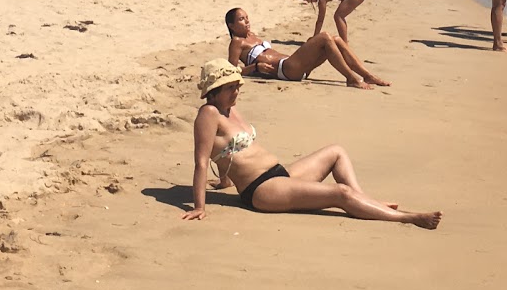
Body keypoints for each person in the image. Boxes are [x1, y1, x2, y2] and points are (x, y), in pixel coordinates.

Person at [184, 59, 434, 225]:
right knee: (340, 193)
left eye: (236, 85)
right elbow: (202, 161)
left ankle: (364, 200)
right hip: (261, 190)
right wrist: (199, 206)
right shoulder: (208, 114)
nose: (236, 91)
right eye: (229, 88)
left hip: (280, 176)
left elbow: (229, 154)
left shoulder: (230, 109)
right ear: (213, 91)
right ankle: (406, 218)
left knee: (336, 151)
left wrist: (225, 181)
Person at [225, 8, 388, 88]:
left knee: (336, 39)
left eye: (246, 17)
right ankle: (351, 79)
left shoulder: (252, 35)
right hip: (285, 69)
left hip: (293, 64)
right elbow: (231, 71)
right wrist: (255, 67)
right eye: (241, 19)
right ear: (231, 26)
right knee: (324, 37)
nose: (247, 21)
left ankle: (367, 75)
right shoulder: (237, 42)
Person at [297, 0, 369, 43]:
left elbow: (320, 20)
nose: (308, 2)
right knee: (339, 15)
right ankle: (344, 41)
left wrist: (314, 38)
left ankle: (344, 43)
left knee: (338, 16)